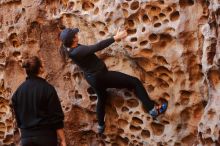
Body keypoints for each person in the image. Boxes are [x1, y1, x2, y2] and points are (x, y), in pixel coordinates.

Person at [59, 28, 167, 134]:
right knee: (135, 82)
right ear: (73, 39)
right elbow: (98, 46)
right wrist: (116, 37)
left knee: (102, 98)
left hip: (92, 79)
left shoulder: (68, 48)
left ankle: (101, 125)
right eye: (75, 34)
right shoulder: (78, 51)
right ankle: (152, 109)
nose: (77, 34)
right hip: (102, 76)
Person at [11, 56, 66, 146]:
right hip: (46, 137)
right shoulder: (48, 88)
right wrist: (63, 140)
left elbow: (18, 120)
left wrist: (24, 137)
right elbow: (56, 118)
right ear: (40, 69)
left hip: (26, 139)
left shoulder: (18, 92)